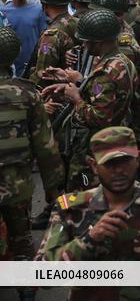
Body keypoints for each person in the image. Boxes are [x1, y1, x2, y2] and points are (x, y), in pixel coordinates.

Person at [36, 126, 140, 300]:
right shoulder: (71, 209)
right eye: (109, 164)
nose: (118, 170)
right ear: (94, 165)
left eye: (125, 161)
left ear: (138, 159)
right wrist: (89, 240)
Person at [40, 9, 135, 191]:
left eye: (86, 40)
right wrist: (75, 83)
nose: (83, 44)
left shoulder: (106, 72)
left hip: (98, 145)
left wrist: (76, 99)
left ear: (98, 42)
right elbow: (108, 95)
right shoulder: (121, 61)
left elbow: (99, 117)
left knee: (85, 192)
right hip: (115, 137)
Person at [0, 26, 64, 297]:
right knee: (21, 240)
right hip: (18, 185)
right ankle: (26, 291)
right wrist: (53, 188)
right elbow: (45, 147)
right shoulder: (27, 94)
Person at [1, 0, 47, 76]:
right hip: (9, 66)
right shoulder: (2, 12)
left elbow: (44, 38)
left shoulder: (39, 10)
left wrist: (43, 58)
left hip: (33, 65)